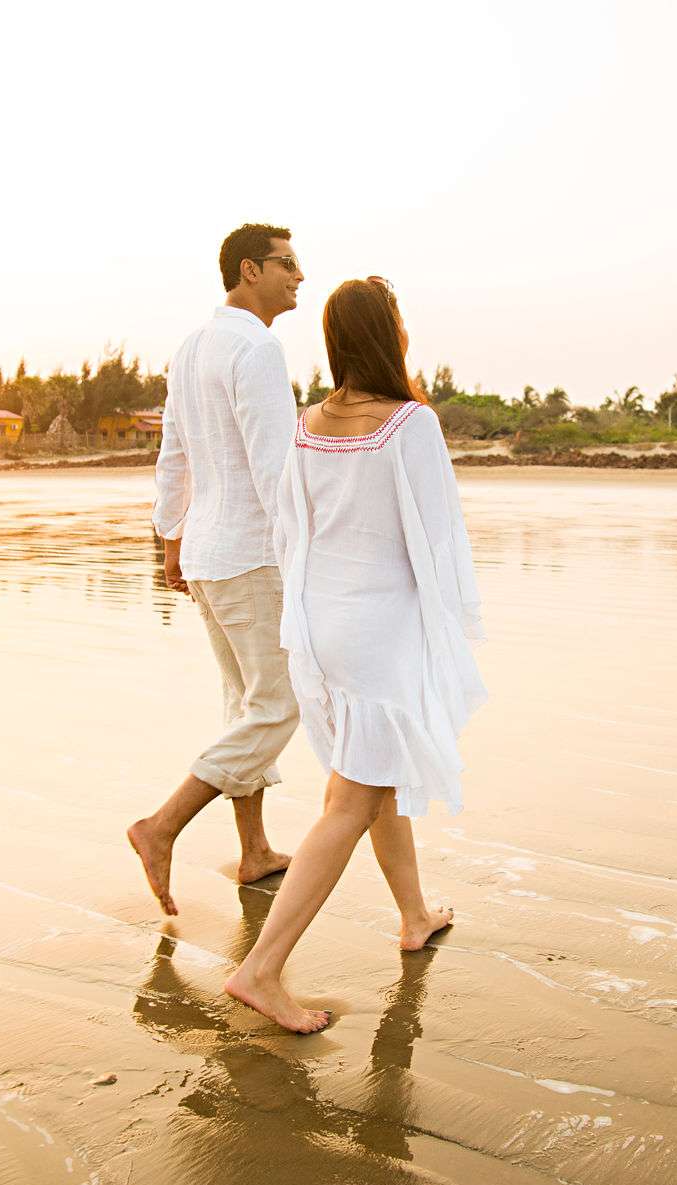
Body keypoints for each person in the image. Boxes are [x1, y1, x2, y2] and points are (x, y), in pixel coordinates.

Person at [224, 277, 486, 1033]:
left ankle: (413, 916)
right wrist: (450, 627)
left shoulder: (308, 424)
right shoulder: (410, 424)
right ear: (390, 332)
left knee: (376, 777)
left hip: (323, 623)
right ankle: (261, 971)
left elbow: (291, 531)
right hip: (378, 634)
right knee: (350, 800)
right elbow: (437, 540)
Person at [128, 223, 307, 917]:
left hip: (208, 551)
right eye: (287, 264)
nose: (298, 277)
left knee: (244, 703)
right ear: (248, 270)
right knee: (277, 704)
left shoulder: (192, 345)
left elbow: (174, 453)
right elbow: (273, 466)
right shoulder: (256, 347)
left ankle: (255, 849)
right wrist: (304, 552)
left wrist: (171, 537)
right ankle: (162, 825)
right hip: (252, 553)